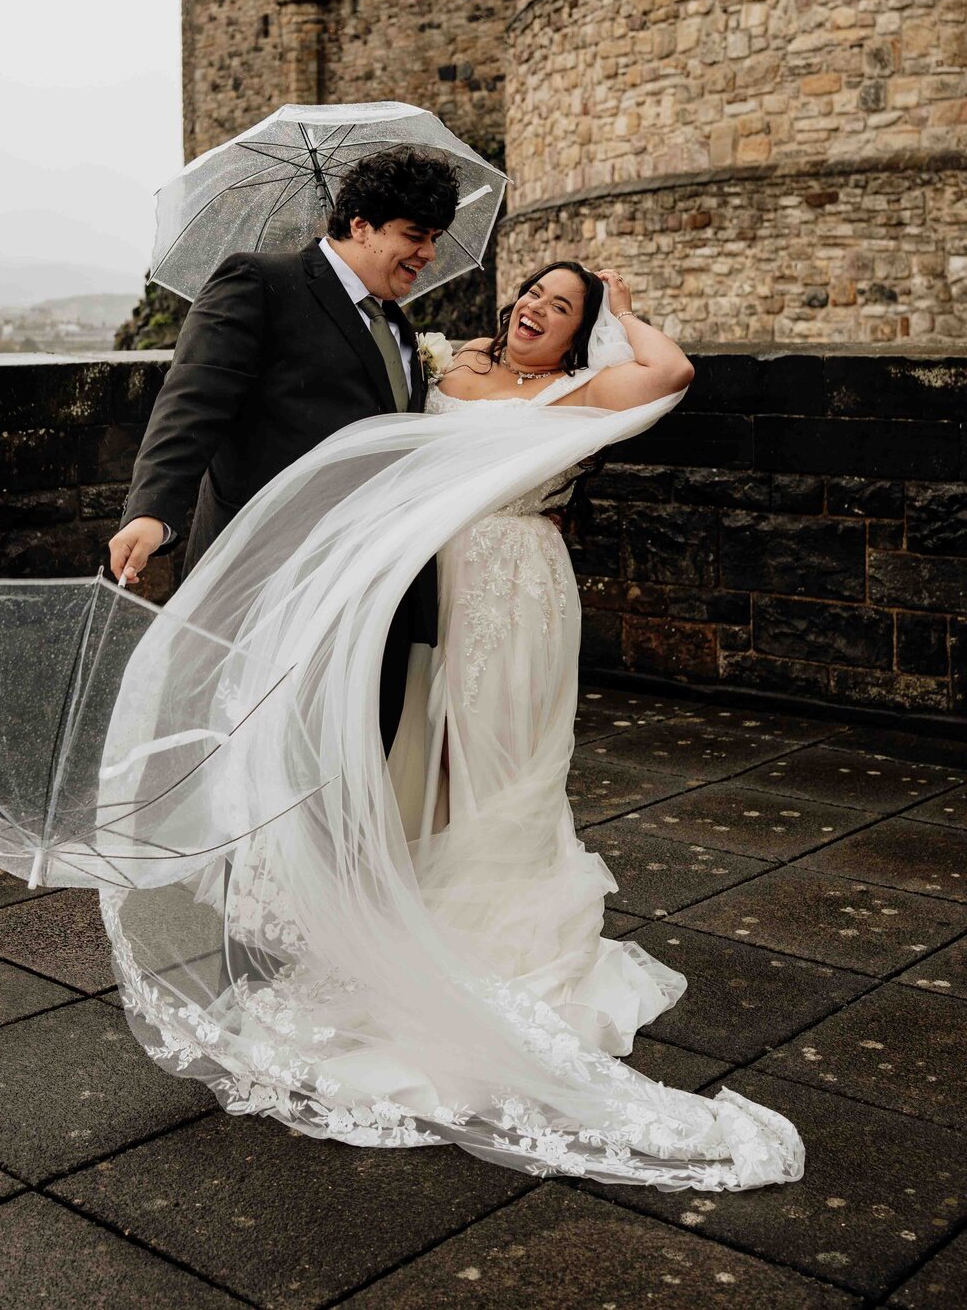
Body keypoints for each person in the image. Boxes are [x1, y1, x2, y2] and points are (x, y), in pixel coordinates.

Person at [96, 257, 805, 1192]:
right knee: (422, 756)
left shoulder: (581, 389)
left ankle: (493, 940)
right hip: (428, 588)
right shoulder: (445, 366)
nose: (534, 312)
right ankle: (418, 915)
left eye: (560, 308)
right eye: (531, 296)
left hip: (516, 590)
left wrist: (625, 315)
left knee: (504, 765)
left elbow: (671, 374)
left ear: (577, 331)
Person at [108, 145, 460, 752]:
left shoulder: (399, 326)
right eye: (416, 235)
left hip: (370, 579)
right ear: (360, 225)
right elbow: (193, 401)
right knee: (255, 749)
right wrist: (153, 509)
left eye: (435, 237)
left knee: (354, 749)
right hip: (272, 571)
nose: (428, 253)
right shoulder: (261, 282)